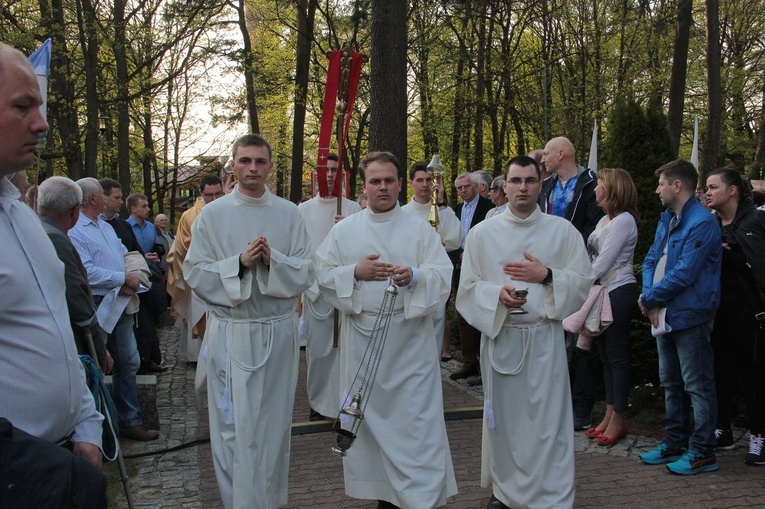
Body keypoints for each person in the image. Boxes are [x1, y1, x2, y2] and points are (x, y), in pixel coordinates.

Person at [314, 151, 457, 509]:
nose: (383, 187)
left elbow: (442, 276)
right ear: (364, 185)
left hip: (411, 346)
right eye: (375, 181)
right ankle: (385, 498)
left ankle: (421, 498)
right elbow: (321, 275)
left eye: (389, 180)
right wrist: (354, 274)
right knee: (373, 429)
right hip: (363, 342)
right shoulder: (344, 230)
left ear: (399, 184)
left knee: (417, 427)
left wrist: (416, 276)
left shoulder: (420, 228)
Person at [0, 41, 106, 506]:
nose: (41, 124)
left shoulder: (22, 214)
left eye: (39, 107)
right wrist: (42, 471)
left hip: (63, 458)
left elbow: (56, 325)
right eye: (23, 107)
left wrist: (86, 421)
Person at [456, 155, 593, 509]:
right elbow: (468, 288)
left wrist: (547, 276)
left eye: (530, 181)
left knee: (548, 423)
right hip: (502, 338)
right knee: (505, 423)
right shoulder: (482, 234)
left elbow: (583, 281)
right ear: (505, 186)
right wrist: (496, 295)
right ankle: (506, 493)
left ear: (540, 184)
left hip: (544, 338)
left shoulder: (562, 231)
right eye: (515, 181)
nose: (522, 187)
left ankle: (552, 495)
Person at [184, 134, 313, 509]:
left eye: (260, 161)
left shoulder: (289, 213)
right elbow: (195, 273)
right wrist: (238, 264)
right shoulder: (214, 214)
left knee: (272, 426)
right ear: (233, 166)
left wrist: (275, 261)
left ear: (271, 166)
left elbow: (306, 269)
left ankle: (268, 501)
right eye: (245, 161)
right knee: (234, 427)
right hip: (232, 330)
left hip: (276, 329)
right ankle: (237, 501)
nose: (253, 168)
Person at [639, 159, 721, 475]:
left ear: (676, 185)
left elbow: (685, 272)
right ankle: (674, 441)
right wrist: (650, 298)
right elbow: (650, 260)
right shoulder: (667, 219)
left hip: (690, 315)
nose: (657, 189)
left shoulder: (702, 223)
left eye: (661, 183)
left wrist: (650, 298)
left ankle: (702, 451)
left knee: (696, 384)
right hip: (664, 313)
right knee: (670, 382)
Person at [70, 177, 160, 442]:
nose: (117, 201)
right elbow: (85, 272)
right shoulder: (76, 230)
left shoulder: (106, 227)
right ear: (93, 198)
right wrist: (123, 279)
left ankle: (129, 421)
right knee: (97, 364)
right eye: (108, 195)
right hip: (97, 304)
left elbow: (125, 255)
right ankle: (97, 429)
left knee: (129, 361)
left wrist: (131, 275)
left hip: (120, 301)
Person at [540, 136, 605, 431]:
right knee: (554, 342)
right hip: (547, 273)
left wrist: (576, 258)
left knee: (582, 346)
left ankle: (581, 408)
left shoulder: (590, 184)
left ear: (562, 154)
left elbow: (595, 228)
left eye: (547, 154)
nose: (543, 160)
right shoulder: (547, 187)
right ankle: (554, 403)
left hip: (579, 271)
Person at [705, 169, 765, 465]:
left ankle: (759, 435)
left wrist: (727, 251)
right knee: (721, 371)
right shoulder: (712, 223)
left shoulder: (755, 220)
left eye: (713, 187)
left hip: (749, 310)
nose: (708, 192)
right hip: (719, 309)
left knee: (753, 374)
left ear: (732, 191)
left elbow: (755, 266)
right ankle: (722, 428)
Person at [578, 168, 640, 446]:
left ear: (613, 188)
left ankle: (619, 417)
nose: (595, 189)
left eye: (600, 183)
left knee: (616, 356)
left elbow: (603, 262)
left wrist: (575, 284)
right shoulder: (605, 219)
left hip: (618, 290)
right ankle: (609, 413)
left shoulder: (624, 221)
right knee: (604, 356)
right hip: (601, 291)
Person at [298, 152, 362, 421]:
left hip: (346, 289)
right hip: (317, 291)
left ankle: (345, 399)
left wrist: (348, 229)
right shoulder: (302, 211)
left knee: (347, 349)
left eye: (336, 170)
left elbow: (362, 248)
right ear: (318, 174)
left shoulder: (353, 210)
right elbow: (302, 250)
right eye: (327, 170)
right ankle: (319, 401)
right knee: (320, 350)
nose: (331, 174)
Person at [37, 176, 111, 372]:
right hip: (65, 340)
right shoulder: (56, 239)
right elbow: (77, 298)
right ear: (74, 210)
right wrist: (99, 350)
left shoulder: (33, 230)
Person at [402, 160, 464, 362]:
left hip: (434, 280)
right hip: (409, 279)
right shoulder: (401, 214)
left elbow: (455, 239)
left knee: (434, 329)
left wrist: (442, 203)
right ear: (411, 183)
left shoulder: (443, 210)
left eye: (429, 180)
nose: (424, 184)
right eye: (419, 180)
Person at [166, 174, 224, 362]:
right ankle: (200, 358)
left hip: (225, 274)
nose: (214, 199)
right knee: (202, 317)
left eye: (218, 194)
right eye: (209, 195)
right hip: (200, 274)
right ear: (201, 193)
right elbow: (182, 248)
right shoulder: (189, 216)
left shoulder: (229, 211)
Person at [450, 172, 494, 382]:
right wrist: (458, 253)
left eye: (466, 186)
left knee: (480, 312)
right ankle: (469, 362)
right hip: (461, 266)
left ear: (477, 186)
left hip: (482, 267)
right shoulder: (457, 210)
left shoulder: (488, 208)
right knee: (462, 313)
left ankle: (483, 362)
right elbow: (451, 237)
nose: (463, 191)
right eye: (459, 188)